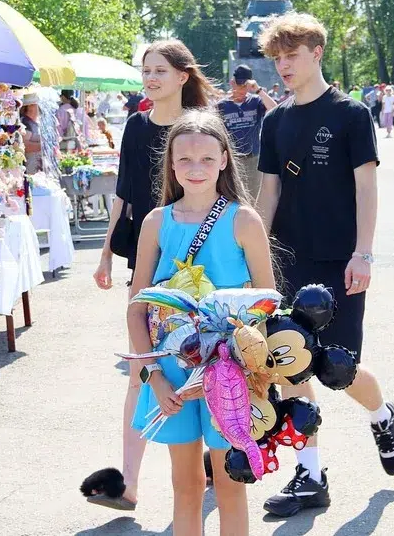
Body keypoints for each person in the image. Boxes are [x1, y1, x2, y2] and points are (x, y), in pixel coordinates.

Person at [255, 12, 394, 518]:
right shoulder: (275, 121)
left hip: (340, 260)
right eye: (277, 58)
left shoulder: (351, 115)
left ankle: (383, 415)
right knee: (290, 361)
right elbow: (269, 192)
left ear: (316, 52)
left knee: (336, 367)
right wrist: (254, 254)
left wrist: (363, 253)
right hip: (287, 260)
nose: (283, 66)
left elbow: (366, 188)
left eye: (292, 56)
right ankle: (310, 475)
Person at [86, 39, 215, 512]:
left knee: (208, 365)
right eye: (146, 71)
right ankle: (128, 484)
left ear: (183, 75)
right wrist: (104, 253)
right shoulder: (136, 127)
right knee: (142, 369)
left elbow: (225, 191)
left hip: (201, 266)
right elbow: (123, 196)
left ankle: (215, 464)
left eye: (160, 70)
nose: (151, 78)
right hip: (148, 262)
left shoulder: (202, 127)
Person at [127, 109, 271, 535]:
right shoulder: (156, 222)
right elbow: (136, 308)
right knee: (185, 485)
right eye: (185, 159)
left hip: (230, 372)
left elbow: (268, 305)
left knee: (230, 481)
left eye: (207, 158)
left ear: (224, 159)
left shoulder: (244, 221)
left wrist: (252, 371)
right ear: (171, 164)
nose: (196, 168)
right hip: (170, 375)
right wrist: (154, 377)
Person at [216, 64, 277, 204]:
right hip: (232, 159)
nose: (242, 89)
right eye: (239, 85)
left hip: (253, 158)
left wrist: (258, 90)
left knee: (254, 197)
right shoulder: (222, 106)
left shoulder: (255, 102)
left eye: (245, 86)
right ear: (232, 82)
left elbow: (275, 109)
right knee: (233, 197)